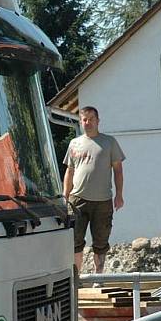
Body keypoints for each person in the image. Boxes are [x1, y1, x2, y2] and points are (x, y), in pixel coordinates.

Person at [62, 106, 125, 275]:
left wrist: (119, 195)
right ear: (81, 122)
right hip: (77, 200)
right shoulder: (74, 143)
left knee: (101, 242)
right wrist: (64, 195)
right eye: (84, 119)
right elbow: (70, 171)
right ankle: (76, 278)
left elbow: (118, 170)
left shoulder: (109, 142)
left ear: (98, 121)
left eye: (91, 119)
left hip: (103, 201)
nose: (88, 122)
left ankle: (99, 276)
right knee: (75, 240)